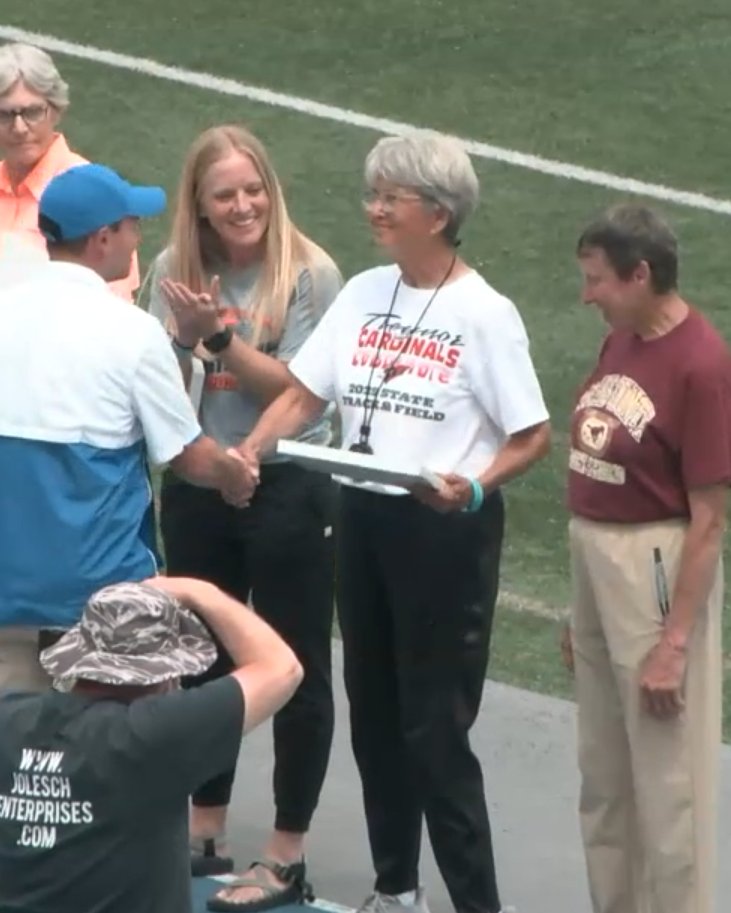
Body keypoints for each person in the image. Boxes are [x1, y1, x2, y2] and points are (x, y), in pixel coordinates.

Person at [223, 131, 551, 913]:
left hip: (442, 529)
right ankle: (394, 887)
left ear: (435, 214)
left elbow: (531, 432)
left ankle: (475, 902)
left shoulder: (484, 313)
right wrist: (253, 447)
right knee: (372, 714)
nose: (372, 208)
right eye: (372, 192)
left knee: (433, 731)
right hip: (363, 514)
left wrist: (472, 487)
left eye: (388, 198)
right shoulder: (368, 290)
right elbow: (307, 392)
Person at [144, 124, 342, 909]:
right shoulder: (171, 270)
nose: (242, 205)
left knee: (294, 667)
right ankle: (205, 828)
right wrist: (183, 352)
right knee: (196, 658)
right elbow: (159, 388)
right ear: (197, 202)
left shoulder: (308, 273)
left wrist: (218, 339)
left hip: (289, 485)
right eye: (224, 194)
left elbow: (299, 390)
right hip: (198, 484)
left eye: (252, 189)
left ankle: (286, 849)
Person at [0, 162, 255, 694]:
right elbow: (190, 457)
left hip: (7, 604)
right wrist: (235, 474)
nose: (140, 236)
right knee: (117, 766)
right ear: (102, 238)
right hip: (105, 616)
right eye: (132, 224)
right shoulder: (133, 333)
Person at [564, 203, 730, 913]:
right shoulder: (622, 339)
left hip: (653, 564)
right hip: (594, 558)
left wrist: (674, 643)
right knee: (604, 777)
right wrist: (581, 611)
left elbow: (710, 518)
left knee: (668, 787)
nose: (586, 294)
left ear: (640, 274)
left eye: (597, 279)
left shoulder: (701, 364)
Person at [0, 575, 304, 913]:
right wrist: (202, 592)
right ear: (168, 674)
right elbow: (282, 667)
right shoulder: (157, 734)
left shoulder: (9, 717)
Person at [0, 42, 139, 299]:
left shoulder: (94, 192)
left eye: (32, 112)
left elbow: (113, 305)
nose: (19, 128)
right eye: (5, 115)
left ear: (55, 110)